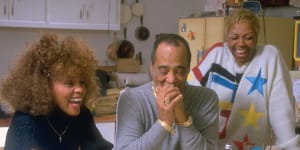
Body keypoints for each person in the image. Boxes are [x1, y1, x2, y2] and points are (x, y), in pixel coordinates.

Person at [188, 8, 300, 149]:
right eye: (234, 37)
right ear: (226, 37)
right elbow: (189, 93)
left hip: (252, 146)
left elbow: (281, 110)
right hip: (211, 145)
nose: (241, 44)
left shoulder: (269, 57)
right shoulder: (216, 55)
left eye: (248, 37)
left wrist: (290, 146)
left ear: (257, 37)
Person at [0, 33, 114, 150]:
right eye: (69, 83)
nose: (80, 89)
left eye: (82, 82)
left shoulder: (82, 117)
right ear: (45, 85)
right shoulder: (25, 122)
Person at [115, 33, 219, 150]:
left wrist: (182, 119)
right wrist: (163, 123)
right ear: (152, 69)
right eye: (163, 71)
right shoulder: (131, 99)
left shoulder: (206, 99)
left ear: (188, 71)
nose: (171, 80)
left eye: (179, 72)